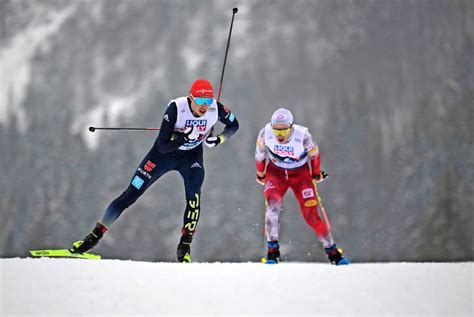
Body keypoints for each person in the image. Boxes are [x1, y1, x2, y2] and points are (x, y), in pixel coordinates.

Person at [70, 78, 239, 262]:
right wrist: (184, 138)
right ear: (191, 98)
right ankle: (92, 238)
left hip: (191, 158)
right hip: (162, 156)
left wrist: (220, 139)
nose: (204, 106)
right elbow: (162, 146)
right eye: (200, 101)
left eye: (208, 102)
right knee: (131, 194)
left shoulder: (216, 109)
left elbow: (233, 125)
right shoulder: (176, 108)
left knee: (194, 198)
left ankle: (184, 248)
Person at [255, 108, 349, 265]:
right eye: (276, 130)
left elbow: (315, 154)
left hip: (300, 175)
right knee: (272, 208)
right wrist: (261, 173)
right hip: (276, 173)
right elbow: (259, 154)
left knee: (311, 215)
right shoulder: (265, 133)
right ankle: (272, 253)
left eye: (284, 131)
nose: (279, 135)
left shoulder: (303, 135)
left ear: (291, 127)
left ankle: (333, 253)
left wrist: (315, 173)